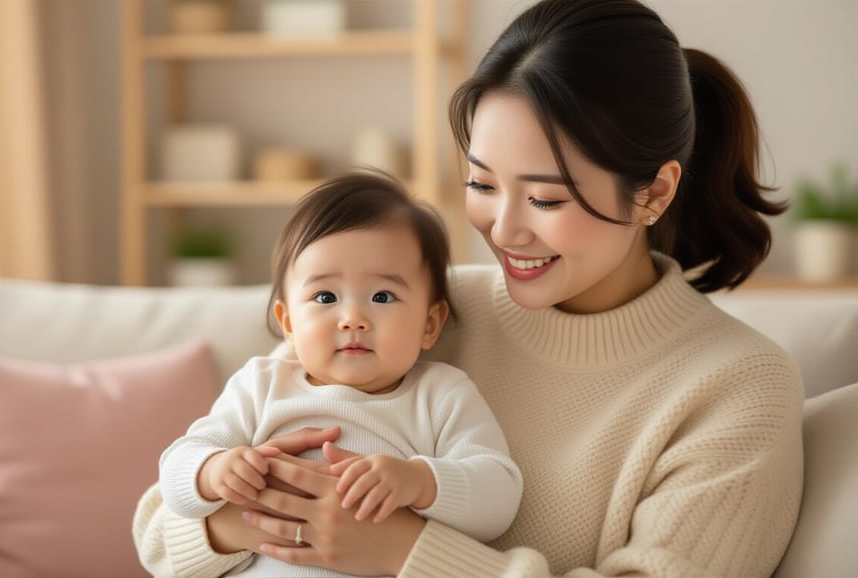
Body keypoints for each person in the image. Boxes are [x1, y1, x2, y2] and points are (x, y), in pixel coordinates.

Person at [132, 0, 804, 575]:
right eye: (482, 185)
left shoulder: (738, 387)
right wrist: (257, 524)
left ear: (654, 192)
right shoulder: (409, 305)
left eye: (545, 198)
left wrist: (401, 552)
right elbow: (160, 532)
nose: (502, 230)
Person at [154, 171, 523, 577]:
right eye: (326, 296)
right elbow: (175, 473)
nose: (353, 319)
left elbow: (499, 498)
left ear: (430, 325)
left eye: (383, 296)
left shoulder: (441, 394)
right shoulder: (260, 385)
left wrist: (420, 480)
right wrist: (212, 471)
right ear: (288, 323)